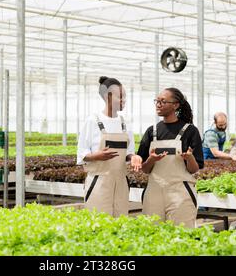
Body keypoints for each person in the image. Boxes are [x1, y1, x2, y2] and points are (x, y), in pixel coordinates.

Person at [135, 88, 203, 228]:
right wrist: (151, 160)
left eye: (163, 101)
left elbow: (194, 169)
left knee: (182, 235)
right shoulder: (151, 131)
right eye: (157, 101)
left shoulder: (190, 131)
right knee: (152, 234)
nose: (158, 104)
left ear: (176, 105)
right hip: (154, 191)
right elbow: (145, 169)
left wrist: (189, 158)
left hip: (180, 191)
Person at [77, 76, 142, 217]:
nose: (124, 100)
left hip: (120, 181)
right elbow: (82, 153)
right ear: (108, 96)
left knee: (120, 219)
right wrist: (97, 156)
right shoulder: (93, 121)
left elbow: (129, 151)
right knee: (99, 221)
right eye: (120, 97)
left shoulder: (125, 123)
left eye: (124, 97)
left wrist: (133, 157)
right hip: (99, 181)